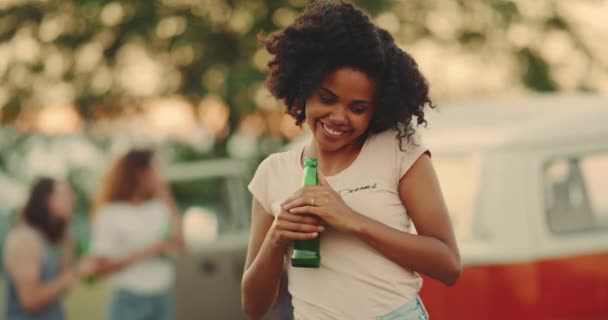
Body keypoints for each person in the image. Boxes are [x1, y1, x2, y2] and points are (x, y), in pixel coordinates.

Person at [241, 1, 462, 319]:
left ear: (377, 109)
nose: (339, 117)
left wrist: (352, 220)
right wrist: (276, 238)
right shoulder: (273, 173)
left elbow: (449, 266)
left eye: (358, 108)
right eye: (326, 99)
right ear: (303, 89)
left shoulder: (398, 151)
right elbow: (253, 307)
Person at [90, 149, 183, 320]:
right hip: (130, 301)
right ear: (141, 174)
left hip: (162, 297)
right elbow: (101, 267)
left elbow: (181, 243)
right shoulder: (110, 213)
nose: (160, 176)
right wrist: (150, 250)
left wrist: (166, 195)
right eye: (156, 170)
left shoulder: (158, 208)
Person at [3, 177, 95, 320]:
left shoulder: (44, 238)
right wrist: (76, 272)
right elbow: (30, 300)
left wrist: (67, 242)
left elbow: (61, 290)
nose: (73, 199)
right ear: (46, 200)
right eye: (66, 194)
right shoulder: (25, 238)